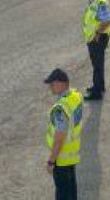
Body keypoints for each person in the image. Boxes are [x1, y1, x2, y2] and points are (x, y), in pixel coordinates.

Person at [44, 68, 84, 200]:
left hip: (62, 158)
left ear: (62, 83)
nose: (50, 87)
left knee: (62, 194)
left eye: (52, 84)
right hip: (72, 154)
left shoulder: (61, 109)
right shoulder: (75, 97)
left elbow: (59, 138)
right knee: (71, 190)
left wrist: (51, 161)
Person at [82, 0, 110, 101]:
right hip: (93, 38)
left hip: (98, 38)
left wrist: (97, 34)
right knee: (97, 64)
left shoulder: (101, 3)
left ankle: (96, 92)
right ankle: (100, 86)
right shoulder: (93, 1)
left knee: (97, 65)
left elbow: (107, 20)